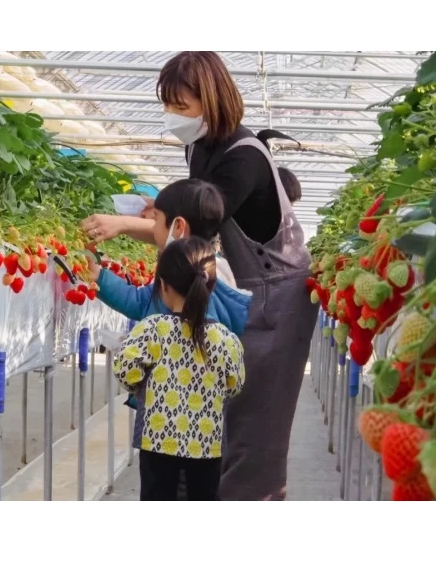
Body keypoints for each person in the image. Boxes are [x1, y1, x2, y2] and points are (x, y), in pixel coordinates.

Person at [83, 51, 319, 501]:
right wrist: (160, 209)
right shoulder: (199, 146)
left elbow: (195, 228)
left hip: (277, 296)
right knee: (220, 418)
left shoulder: (244, 158)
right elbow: (189, 220)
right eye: (168, 105)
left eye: (182, 105)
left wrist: (126, 225)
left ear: (211, 99)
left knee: (256, 432)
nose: (173, 116)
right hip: (237, 290)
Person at [84, 178, 251, 459]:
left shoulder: (186, 278)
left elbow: (131, 363)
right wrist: (98, 276)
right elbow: (142, 302)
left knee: (161, 489)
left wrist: (143, 378)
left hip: (158, 426)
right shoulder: (213, 271)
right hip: (206, 431)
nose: (153, 231)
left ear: (178, 227)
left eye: (157, 221)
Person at [112, 237, 245, 500]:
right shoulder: (225, 338)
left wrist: (143, 387)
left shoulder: (152, 329)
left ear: (162, 286)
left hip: (158, 442)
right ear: (212, 286)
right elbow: (235, 384)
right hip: (207, 443)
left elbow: (124, 369)